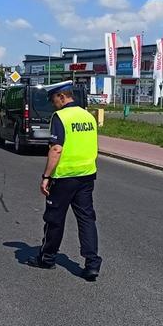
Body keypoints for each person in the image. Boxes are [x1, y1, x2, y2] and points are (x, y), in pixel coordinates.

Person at [27, 81, 102, 281]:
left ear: (62, 97)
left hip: (64, 177)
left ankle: (47, 258)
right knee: (86, 219)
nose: (53, 105)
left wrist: (46, 176)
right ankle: (92, 264)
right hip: (86, 175)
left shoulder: (60, 117)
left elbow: (56, 149)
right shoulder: (88, 116)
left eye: (54, 100)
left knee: (54, 219)